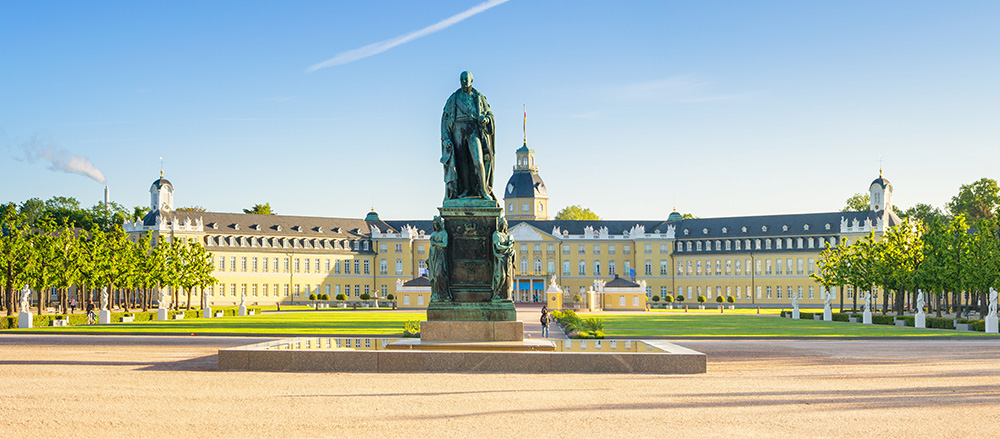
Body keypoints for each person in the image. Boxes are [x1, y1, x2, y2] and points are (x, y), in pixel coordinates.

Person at [440, 71, 496, 201]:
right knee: (462, 162)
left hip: (473, 129)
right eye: (461, 79)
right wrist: (446, 138)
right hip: (458, 130)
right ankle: (465, 189)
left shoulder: (479, 97)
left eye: (466, 79)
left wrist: (486, 120)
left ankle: (483, 190)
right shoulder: (453, 98)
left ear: (471, 80)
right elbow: (445, 119)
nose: (464, 81)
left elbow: (489, 115)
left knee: (478, 161)